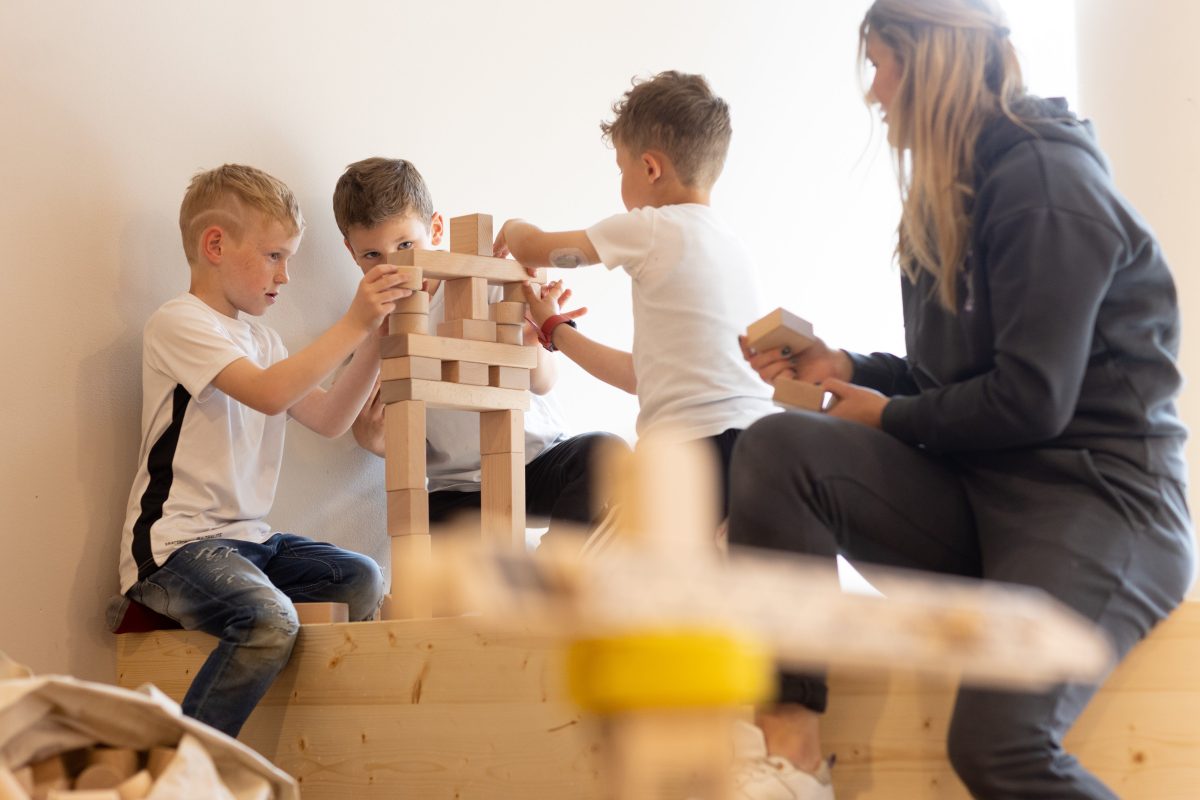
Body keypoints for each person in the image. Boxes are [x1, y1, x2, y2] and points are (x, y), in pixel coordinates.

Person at [728, 2, 1195, 799]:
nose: (873, 92)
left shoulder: (1047, 181)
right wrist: (851, 367)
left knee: (997, 746)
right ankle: (791, 759)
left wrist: (890, 413)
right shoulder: (952, 195)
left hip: (1101, 506)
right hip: (987, 501)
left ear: (925, 63)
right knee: (778, 448)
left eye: (879, 66)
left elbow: (1033, 400)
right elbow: (956, 381)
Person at [118, 164, 398, 737]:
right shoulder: (178, 323)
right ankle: (185, 772)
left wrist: (376, 337)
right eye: (275, 256)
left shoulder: (263, 340)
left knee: (364, 578)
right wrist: (354, 321)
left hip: (250, 541)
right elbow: (270, 395)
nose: (286, 276)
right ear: (215, 244)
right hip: (178, 547)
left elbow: (328, 418)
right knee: (270, 619)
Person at [495, 71, 776, 516]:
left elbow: (532, 246)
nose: (621, 181)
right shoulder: (730, 245)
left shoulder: (650, 228)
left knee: (623, 565)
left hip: (692, 449)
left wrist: (511, 227)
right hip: (760, 446)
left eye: (621, 168)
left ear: (650, 168)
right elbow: (639, 378)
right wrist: (555, 329)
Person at [334, 157, 626, 542]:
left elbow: (544, 382)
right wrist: (374, 440)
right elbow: (408, 441)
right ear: (351, 251)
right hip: (457, 490)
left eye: (406, 245)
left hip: (534, 462)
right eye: (372, 255)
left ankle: (556, 575)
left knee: (605, 455)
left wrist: (526, 343)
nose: (394, 267)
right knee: (434, 560)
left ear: (435, 229)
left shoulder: (481, 288)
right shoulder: (370, 335)